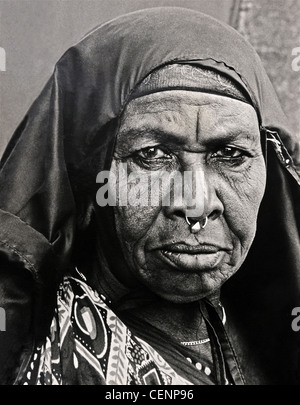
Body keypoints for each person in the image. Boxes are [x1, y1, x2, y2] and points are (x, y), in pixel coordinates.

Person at [0, 7, 299, 385]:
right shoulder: (50, 357)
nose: (197, 205)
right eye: (152, 155)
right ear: (89, 176)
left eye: (231, 155)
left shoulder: (274, 329)